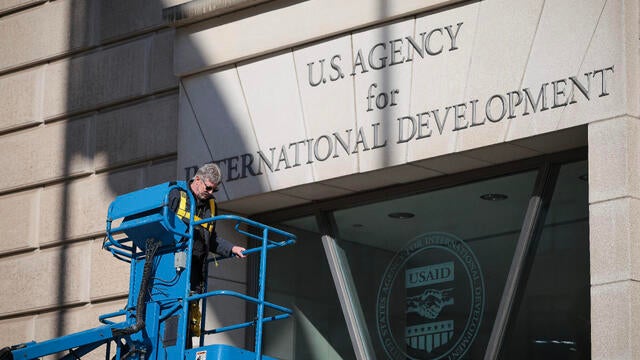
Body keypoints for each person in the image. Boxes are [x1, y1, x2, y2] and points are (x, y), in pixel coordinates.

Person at [168, 163, 246, 344]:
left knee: (185, 326)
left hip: (194, 273)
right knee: (171, 324)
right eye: (208, 187)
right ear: (197, 180)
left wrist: (231, 248)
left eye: (215, 189)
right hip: (172, 271)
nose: (211, 192)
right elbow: (162, 228)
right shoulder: (176, 194)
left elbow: (210, 238)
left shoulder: (211, 206)